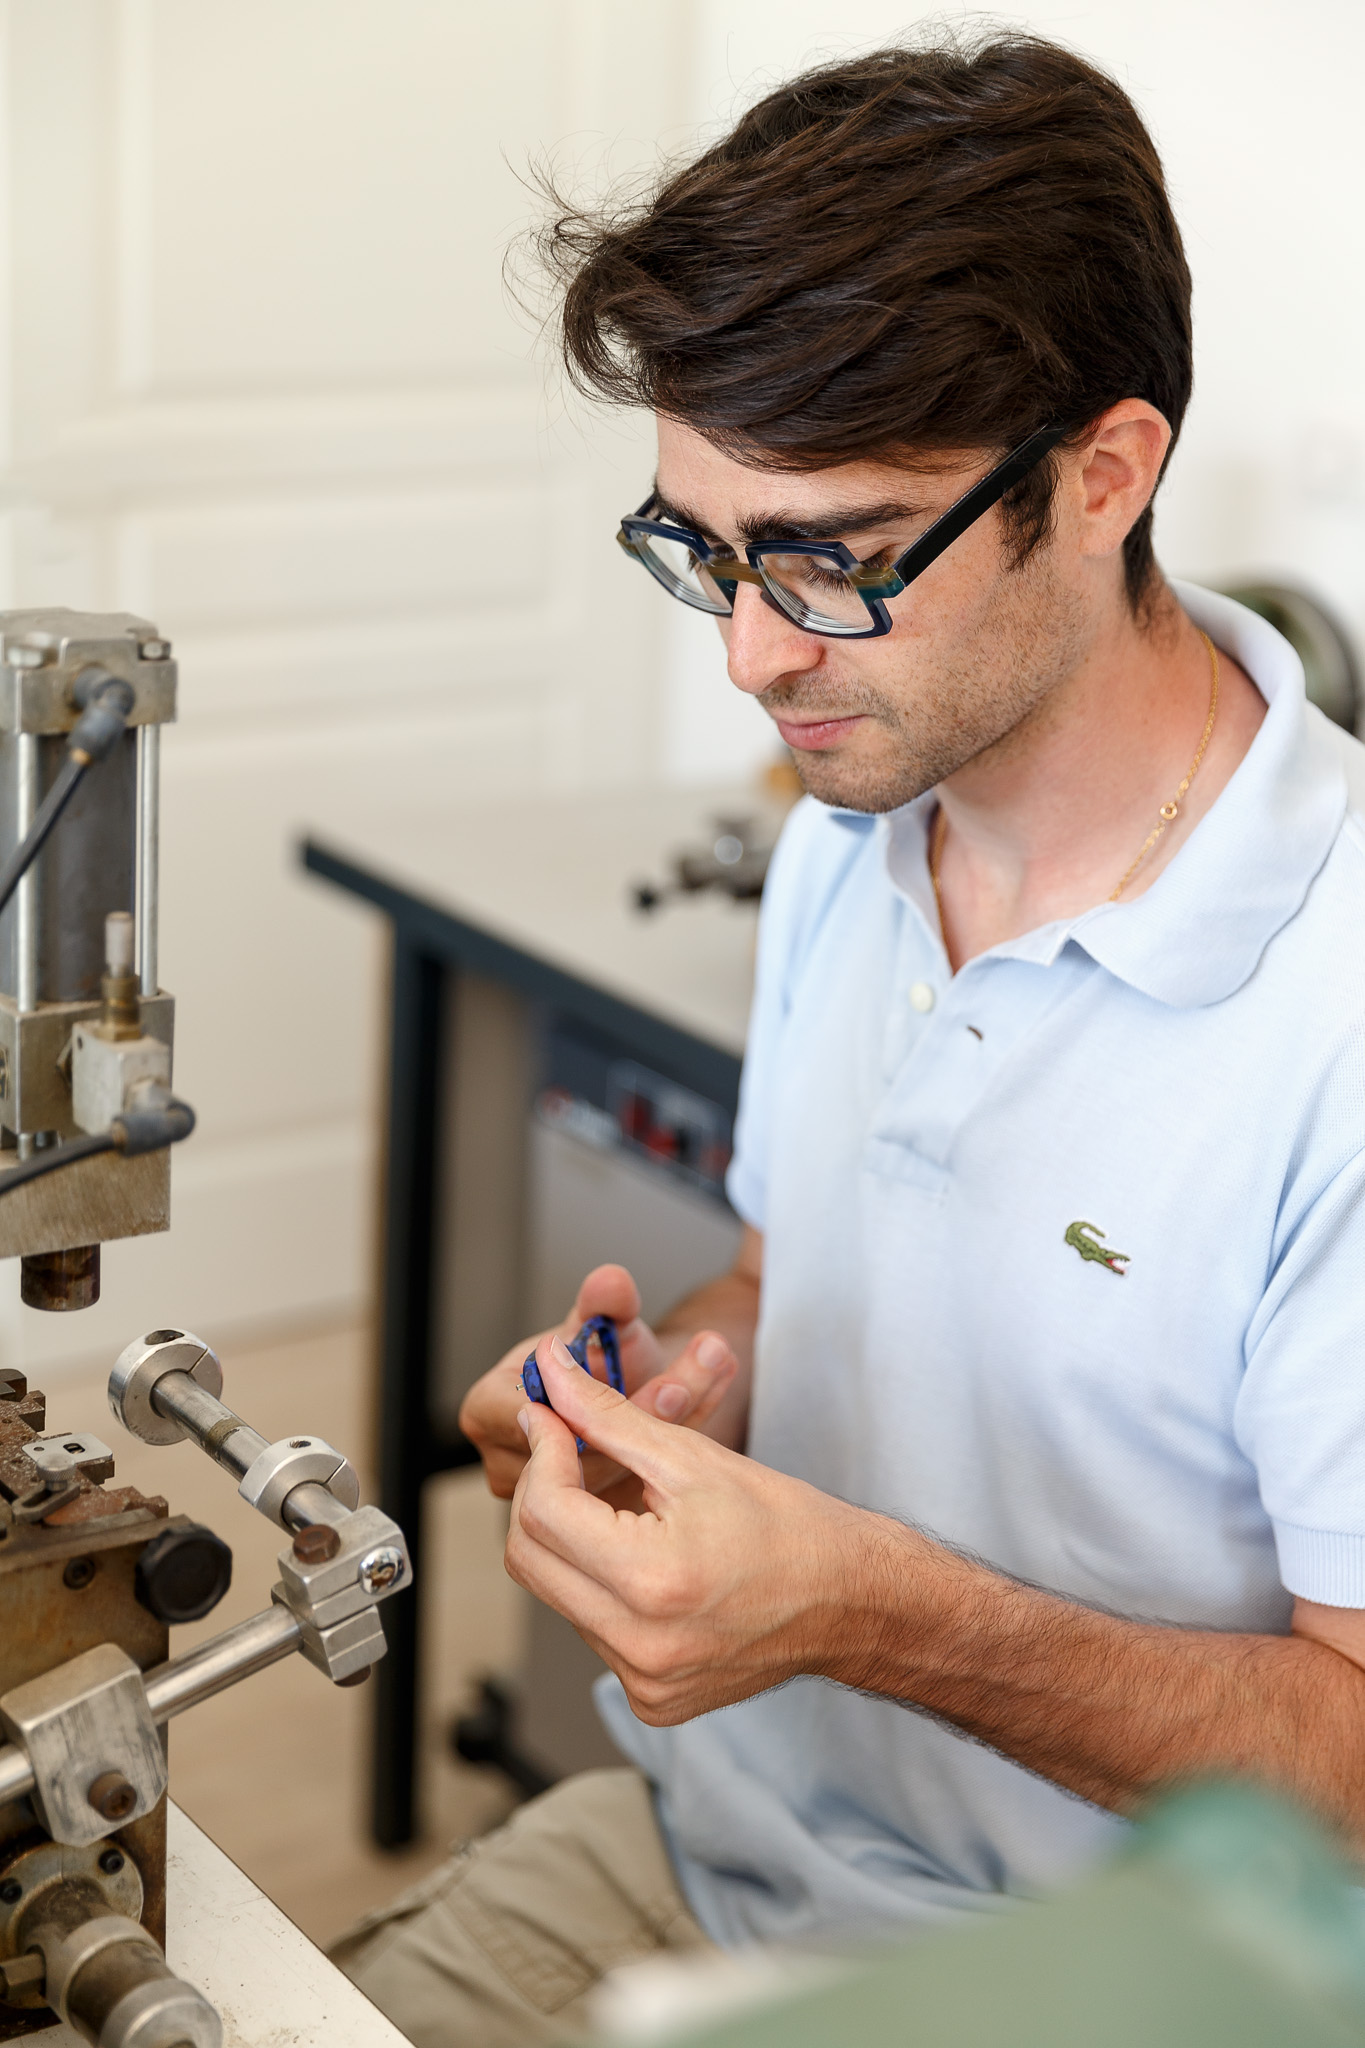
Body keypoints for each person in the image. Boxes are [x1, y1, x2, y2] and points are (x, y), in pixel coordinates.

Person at [334, 30, 1365, 2047]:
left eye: (829, 553)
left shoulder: (1331, 1020)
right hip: (710, 1844)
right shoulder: (859, 807)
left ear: (1102, 473)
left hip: (1122, 1986)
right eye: (703, 547)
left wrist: (874, 1612)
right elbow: (788, 1263)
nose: (749, 649)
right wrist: (686, 1378)